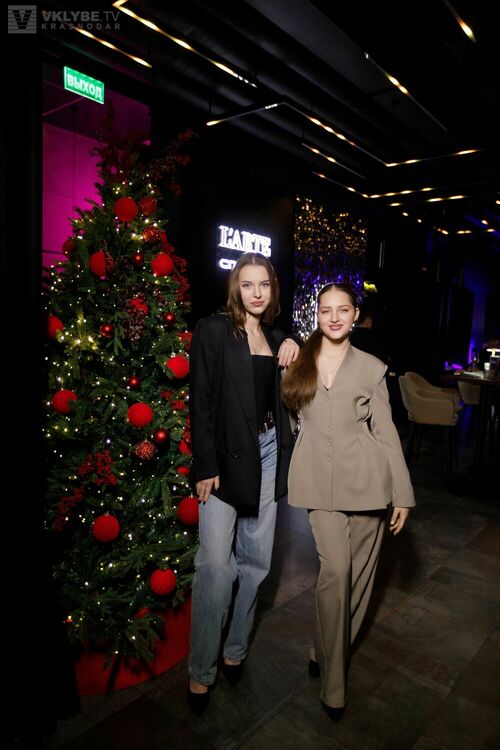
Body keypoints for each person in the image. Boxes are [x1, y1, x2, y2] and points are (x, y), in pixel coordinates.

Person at [282, 282, 415, 721]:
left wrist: (402, 493)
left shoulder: (372, 368)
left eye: (343, 310)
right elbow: (288, 415)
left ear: (356, 315)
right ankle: (334, 686)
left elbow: (386, 432)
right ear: (316, 315)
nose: (334, 317)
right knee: (336, 572)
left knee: (357, 582)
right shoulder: (298, 360)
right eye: (326, 310)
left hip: (368, 483)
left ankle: (321, 648)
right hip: (317, 484)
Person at [187, 252, 299, 716]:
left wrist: (293, 345)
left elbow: (288, 396)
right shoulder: (214, 330)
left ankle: (235, 648)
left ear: (273, 290)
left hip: (268, 452)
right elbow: (200, 400)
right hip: (224, 460)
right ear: (236, 287)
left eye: (264, 285)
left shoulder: (275, 338)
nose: (256, 293)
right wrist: (204, 464)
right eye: (248, 284)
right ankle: (201, 670)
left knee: (256, 561)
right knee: (215, 564)